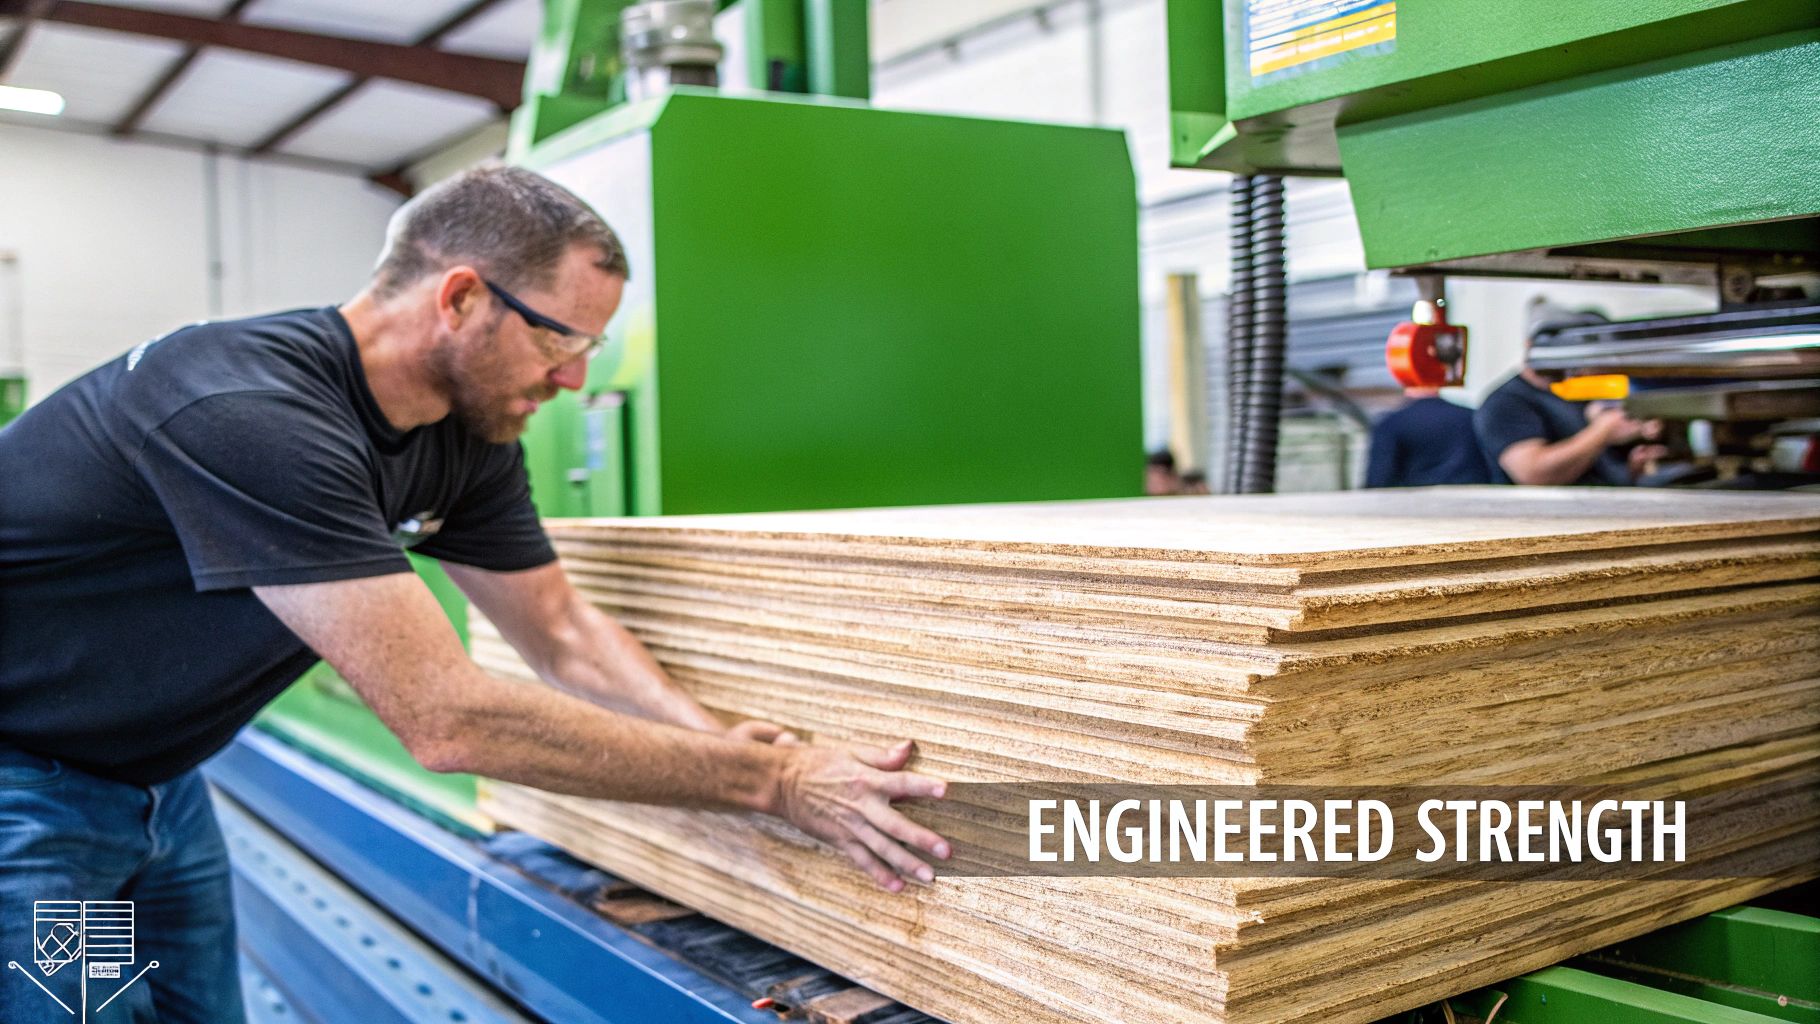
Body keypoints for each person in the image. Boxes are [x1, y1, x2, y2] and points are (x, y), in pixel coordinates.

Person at [0, 166, 949, 1024]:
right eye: (561, 339)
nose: (577, 380)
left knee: (196, 1013)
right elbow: (445, 719)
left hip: (158, 779)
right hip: (27, 790)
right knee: (86, 1010)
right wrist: (774, 784)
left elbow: (561, 633)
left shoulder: (468, 438)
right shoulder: (247, 412)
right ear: (461, 297)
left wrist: (707, 734)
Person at [1474, 301, 1665, 485]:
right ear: (1531, 345)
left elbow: (1592, 469)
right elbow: (1533, 473)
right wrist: (1602, 431)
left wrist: (1631, 468)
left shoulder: (1578, 392)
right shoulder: (1505, 403)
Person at [1365, 387, 1493, 487]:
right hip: (1473, 504)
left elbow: (1378, 480)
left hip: (1417, 508)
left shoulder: (1392, 423)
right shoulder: (1473, 416)